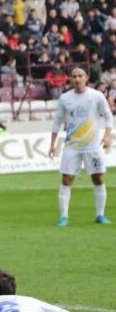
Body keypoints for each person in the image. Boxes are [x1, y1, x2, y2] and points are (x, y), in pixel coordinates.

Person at [49, 67, 113, 227]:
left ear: (86, 78)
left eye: (80, 76)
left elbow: (107, 114)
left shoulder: (96, 96)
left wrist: (107, 135)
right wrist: (52, 144)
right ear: (70, 79)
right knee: (67, 179)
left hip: (93, 146)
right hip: (72, 146)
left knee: (98, 178)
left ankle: (100, 215)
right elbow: (57, 122)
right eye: (74, 76)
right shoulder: (65, 98)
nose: (77, 79)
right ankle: (63, 217)